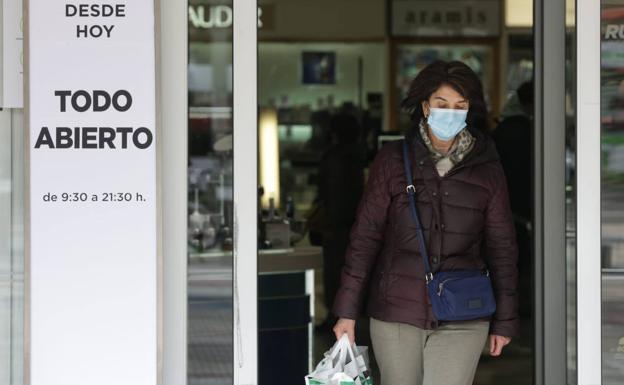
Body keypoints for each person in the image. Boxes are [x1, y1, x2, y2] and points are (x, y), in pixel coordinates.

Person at [331, 61, 519, 385]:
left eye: (460, 106)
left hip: (464, 311)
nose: (451, 113)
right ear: (425, 106)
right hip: (397, 311)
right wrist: (346, 311)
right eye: (442, 104)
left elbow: (502, 247)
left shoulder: (488, 169)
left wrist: (505, 320)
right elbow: (365, 236)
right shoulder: (392, 160)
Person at [316, 112, 366, 330]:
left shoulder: (334, 158)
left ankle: (335, 317)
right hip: (357, 225)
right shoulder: (360, 156)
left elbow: (333, 195)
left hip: (338, 227)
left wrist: (328, 224)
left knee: (334, 273)